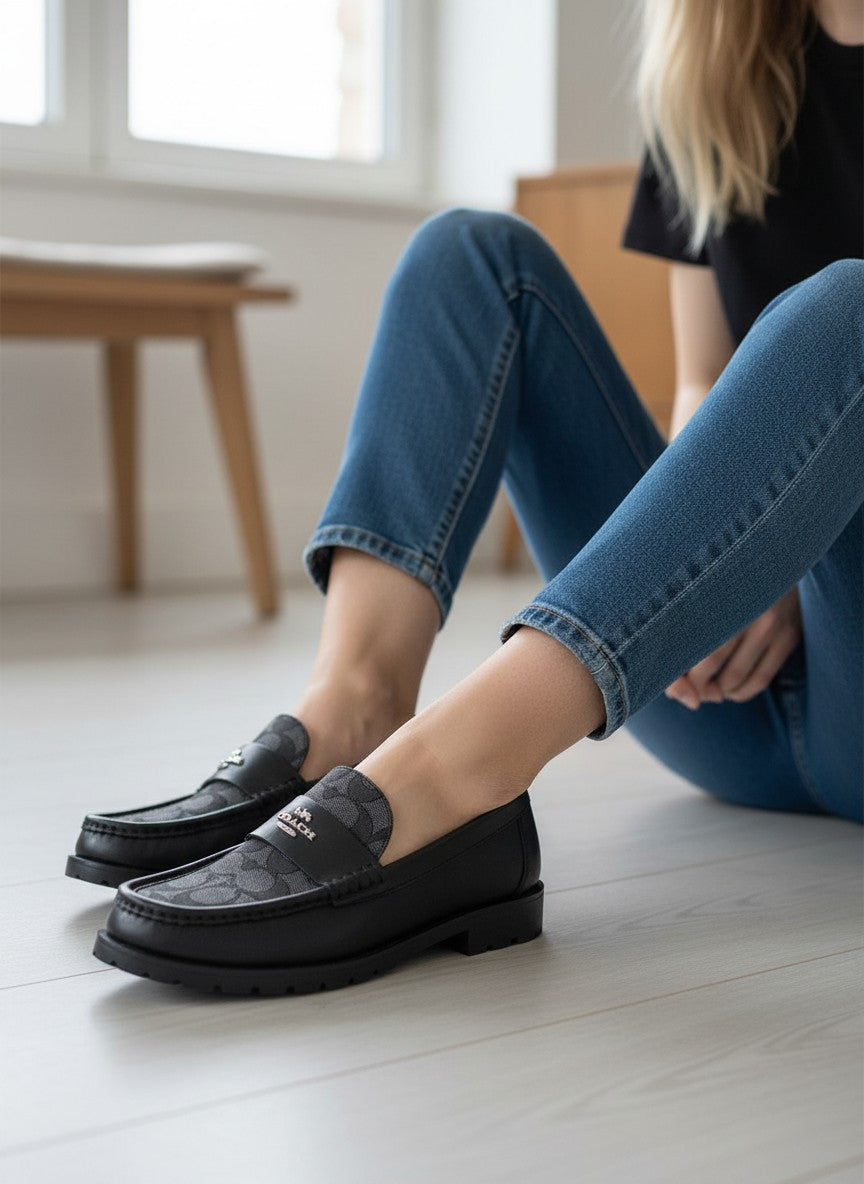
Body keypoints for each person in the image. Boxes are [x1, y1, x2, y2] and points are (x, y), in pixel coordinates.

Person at [72, 0, 863, 994]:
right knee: (470, 255)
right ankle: (351, 714)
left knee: (850, 312)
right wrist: (746, 551)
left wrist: (802, 543)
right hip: (720, 701)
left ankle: (451, 778)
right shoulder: (719, 69)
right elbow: (705, 379)